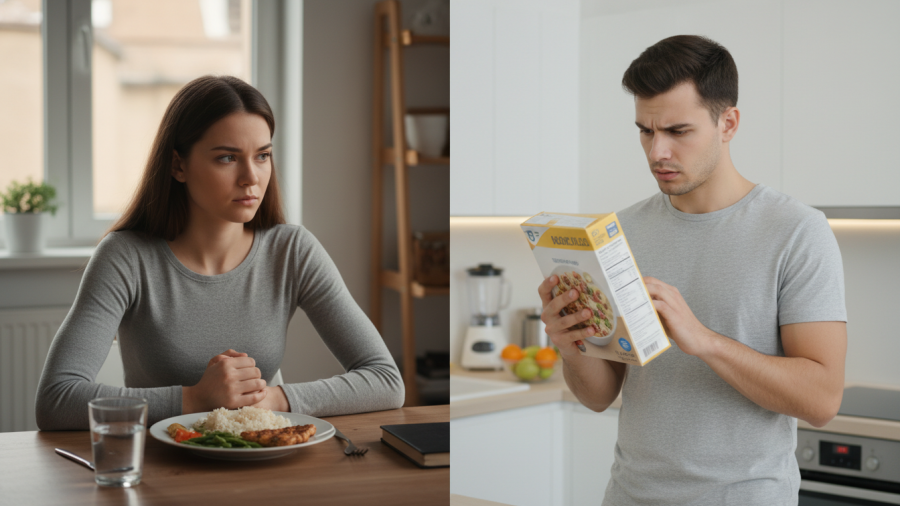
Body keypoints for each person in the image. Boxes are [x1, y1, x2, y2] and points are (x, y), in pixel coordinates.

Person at [538, 35, 846, 505]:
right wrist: (571, 346)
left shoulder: (797, 231)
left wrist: (705, 341)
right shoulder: (620, 233)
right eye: (645, 131)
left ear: (728, 123)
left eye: (678, 131)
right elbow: (599, 396)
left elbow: (822, 401)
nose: (657, 152)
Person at [36, 75, 404, 430]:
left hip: (263, 460)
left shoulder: (292, 251)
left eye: (262, 156)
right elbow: (56, 399)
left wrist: (277, 399)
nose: (251, 177)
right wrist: (194, 399)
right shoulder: (125, 257)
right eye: (228, 158)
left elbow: (386, 381)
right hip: (160, 466)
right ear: (178, 165)